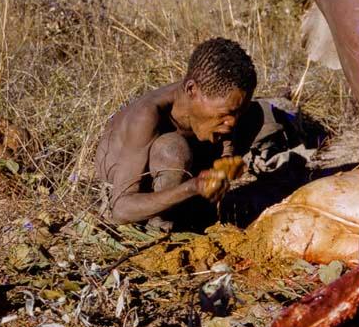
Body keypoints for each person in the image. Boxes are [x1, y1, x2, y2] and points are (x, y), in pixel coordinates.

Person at [95, 37, 305, 232]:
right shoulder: (146, 117)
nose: (231, 123)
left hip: (185, 179)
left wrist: (226, 161)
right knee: (172, 148)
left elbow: (237, 127)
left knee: (257, 114)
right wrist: (193, 187)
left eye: (235, 113)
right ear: (191, 89)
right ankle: (162, 228)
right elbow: (121, 209)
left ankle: (196, 213)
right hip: (133, 198)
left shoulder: (211, 114)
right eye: (225, 114)